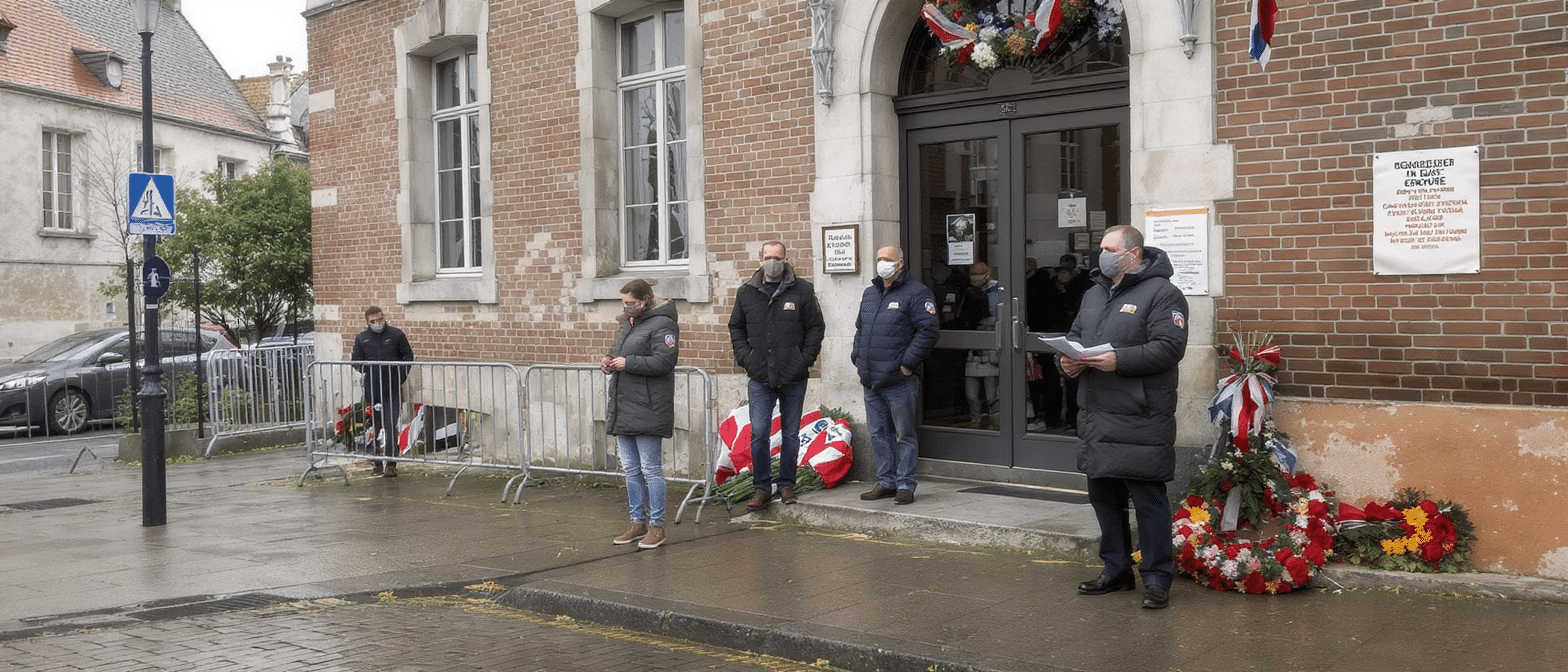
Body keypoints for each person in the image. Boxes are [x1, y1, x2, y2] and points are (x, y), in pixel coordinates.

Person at [1060, 225, 1188, 610]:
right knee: (1103, 496)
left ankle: (1157, 577)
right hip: (1097, 414)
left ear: (1133, 254)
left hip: (1139, 416)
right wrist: (1067, 360)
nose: (1102, 254)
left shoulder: (1164, 293)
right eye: (1101, 248)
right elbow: (1076, 336)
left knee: (1148, 499)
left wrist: (1120, 360)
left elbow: (1169, 348)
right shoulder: (1093, 293)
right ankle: (1115, 570)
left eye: (1109, 248)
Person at [729, 241, 827, 511]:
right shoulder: (746, 292)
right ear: (760, 260)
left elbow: (816, 328)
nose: (773, 261)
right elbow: (736, 327)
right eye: (768, 256)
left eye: (777, 257)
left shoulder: (803, 290)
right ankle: (762, 488)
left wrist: (804, 359)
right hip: (760, 376)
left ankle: (787, 484)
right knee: (759, 433)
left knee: (791, 434)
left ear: (785, 259)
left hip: (793, 375)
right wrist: (746, 358)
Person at [851, 245, 940, 505]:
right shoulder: (870, 293)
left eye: (887, 259)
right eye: (879, 259)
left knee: (904, 434)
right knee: (878, 433)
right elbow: (860, 329)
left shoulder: (917, 293)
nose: (882, 263)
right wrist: (857, 358)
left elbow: (929, 332)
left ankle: (905, 484)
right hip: (871, 379)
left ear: (900, 263)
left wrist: (908, 363)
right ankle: (886, 481)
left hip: (899, 380)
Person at [602, 279, 680, 550]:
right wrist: (609, 361)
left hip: (648, 407)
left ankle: (657, 526)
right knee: (631, 469)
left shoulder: (663, 324)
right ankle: (637, 522)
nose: (626, 308)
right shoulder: (627, 325)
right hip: (624, 406)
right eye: (624, 303)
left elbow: (664, 361)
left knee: (650, 469)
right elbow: (618, 354)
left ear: (645, 300)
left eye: (631, 303)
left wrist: (628, 363)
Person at [351, 306, 414, 477]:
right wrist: (368, 370)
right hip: (373, 388)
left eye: (380, 319)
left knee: (390, 423)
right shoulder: (362, 338)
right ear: (367, 322)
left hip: (392, 388)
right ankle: (377, 460)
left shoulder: (396, 335)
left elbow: (407, 357)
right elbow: (356, 361)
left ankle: (392, 463)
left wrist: (400, 376)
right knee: (376, 425)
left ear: (384, 317)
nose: (378, 323)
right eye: (373, 321)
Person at [962, 262, 1001, 429]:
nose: (975, 277)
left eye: (979, 273)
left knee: (992, 393)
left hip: (991, 347)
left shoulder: (998, 292)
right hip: (973, 348)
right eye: (973, 273)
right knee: (971, 393)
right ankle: (975, 421)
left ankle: (996, 423)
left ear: (988, 273)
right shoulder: (968, 293)